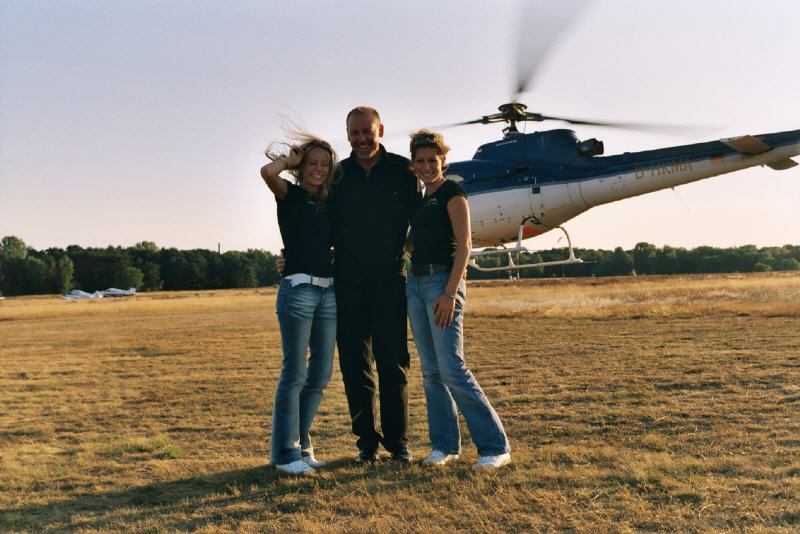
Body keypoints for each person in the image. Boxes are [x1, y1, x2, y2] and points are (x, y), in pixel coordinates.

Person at [405, 130, 511, 469]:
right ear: (413, 165)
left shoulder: (452, 191)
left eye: (432, 160)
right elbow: (410, 242)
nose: (426, 166)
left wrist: (450, 293)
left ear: (443, 162)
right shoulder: (419, 199)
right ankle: (445, 446)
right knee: (431, 371)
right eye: (420, 161)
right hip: (415, 283)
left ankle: (495, 448)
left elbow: (465, 245)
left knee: (452, 367)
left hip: (442, 283)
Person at [330, 107, 422, 463]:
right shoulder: (338, 175)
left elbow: (420, 220)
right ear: (347, 135)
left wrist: (403, 251)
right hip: (348, 282)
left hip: (389, 281)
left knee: (393, 362)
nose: (361, 139)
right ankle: (366, 444)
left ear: (380, 130)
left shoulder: (403, 170)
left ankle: (398, 444)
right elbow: (322, 226)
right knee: (355, 365)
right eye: (354, 133)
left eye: (366, 131)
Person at [260, 135, 338, 475]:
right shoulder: (289, 194)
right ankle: (284, 454)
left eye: (324, 165)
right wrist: (289, 161)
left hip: (329, 292)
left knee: (320, 374)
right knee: (295, 373)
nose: (318, 169)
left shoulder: (330, 203)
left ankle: (302, 445)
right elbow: (267, 172)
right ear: (302, 167)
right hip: (298, 290)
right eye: (312, 163)